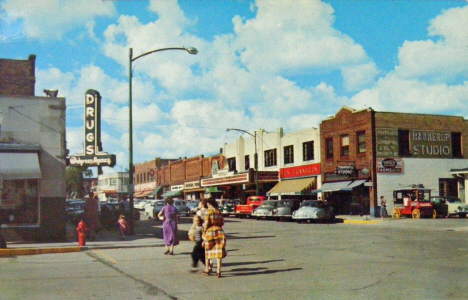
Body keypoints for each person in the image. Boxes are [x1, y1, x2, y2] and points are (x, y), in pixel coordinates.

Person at [202, 197, 226, 278]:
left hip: (210, 231)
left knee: (208, 250)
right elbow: (222, 222)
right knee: (219, 252)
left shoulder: (208, 211)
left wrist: (204, 231)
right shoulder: (218, 211)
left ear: (208, 204)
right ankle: (218, 271)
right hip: (219, 231)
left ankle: (207, 269)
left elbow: (206, 223)